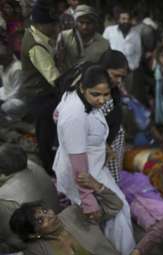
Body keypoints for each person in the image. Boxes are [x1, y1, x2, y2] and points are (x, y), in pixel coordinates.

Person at [52, 65, 135, 255]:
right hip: (84, 173)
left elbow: (56, 115)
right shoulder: (75, 116)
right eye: (96, 94)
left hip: (93, 167)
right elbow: (80, 169)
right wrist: (89, 201)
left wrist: (97, 144)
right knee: (118, 213)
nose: (102, 100)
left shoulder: (74, 96)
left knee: (111, 214)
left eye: (106, 94)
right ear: (82, 87)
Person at [9, 173, 125, 255]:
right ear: (33, 234)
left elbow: (115, 205)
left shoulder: (74, 214)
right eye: (40, 221)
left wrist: (97, 186)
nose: (50, 216)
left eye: (44, 211)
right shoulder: (37, 249)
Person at [19, 0, 60, 174]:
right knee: (45, 133)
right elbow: (54, 78)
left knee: (45, 131)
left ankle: (49, 161)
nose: (55, 28)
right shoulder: (36, 46)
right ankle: (49, 168)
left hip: (40, 93)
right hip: (40, 96)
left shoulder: (36, 36)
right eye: (52, 25)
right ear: (41, 25)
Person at [0, 143, 60, 249]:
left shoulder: (4, 198)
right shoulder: (32, 163)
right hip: (56, 216)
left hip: (39, 242)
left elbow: (12, 238)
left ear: (2, 169)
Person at [98, 50, 129, 183]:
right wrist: (105, 146)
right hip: (101, 145)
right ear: (104, 70)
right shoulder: (96, 94)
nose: (119, 80)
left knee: (113, 178)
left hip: (113, 140)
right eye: (116, 75)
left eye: (122, 77)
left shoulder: (113, 88)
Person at [103, 8, 142, 99]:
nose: (126, 21)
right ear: (118, 20)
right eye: (123, 19)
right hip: (111, 72)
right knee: (109, 97)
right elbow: (103, 49)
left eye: (128, 19)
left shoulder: (135, 34)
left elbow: (138, 53)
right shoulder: (109, 31)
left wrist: (132, 67)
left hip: (128, 72)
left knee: (127, 97)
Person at [57, 4, 109, 73]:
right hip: (67, 80)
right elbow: (58, 62)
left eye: (88, 23)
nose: (85, 26)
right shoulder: (64, 37)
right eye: (81, 22)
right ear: (75, 22)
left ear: (94, 24)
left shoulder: (103, 43)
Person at [0, 42, 25, 121]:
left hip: (19, 100)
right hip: (7, 95)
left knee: (11, 105)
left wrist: (3, 101)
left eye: (1, 58)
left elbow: (18, 93)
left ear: (9, 55)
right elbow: (6, 86)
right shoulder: (2, 66)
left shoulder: (17, 68)